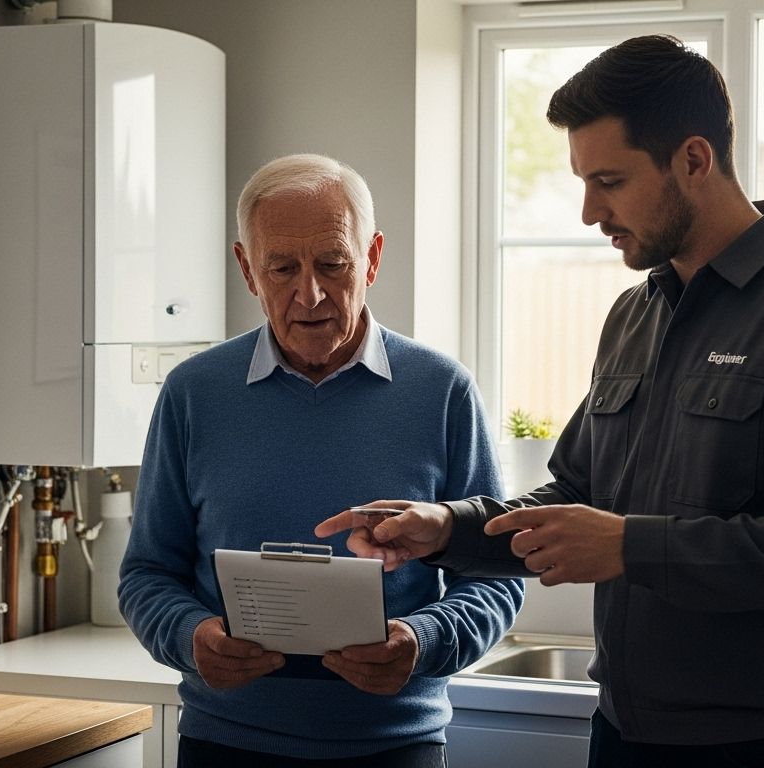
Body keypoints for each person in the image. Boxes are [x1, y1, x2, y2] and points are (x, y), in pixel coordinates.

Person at [317, 35, 764, 768]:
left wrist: (631, 545)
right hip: (622, 739)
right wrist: (447, 527)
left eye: (609, 180)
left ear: (694, 160)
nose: (587, 211)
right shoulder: (635, 313)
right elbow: (574, 493)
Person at [119, 153, 524, 768]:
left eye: (333, 264)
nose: (309, 294)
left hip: (396, 746)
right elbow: (147, 573)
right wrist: (189, 637)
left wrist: (423, 640)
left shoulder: (443, 391)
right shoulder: (193, 394)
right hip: (225, 744)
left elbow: (495, 574)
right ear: (247, 270)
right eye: (281, 268)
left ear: (373, 257)